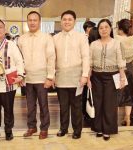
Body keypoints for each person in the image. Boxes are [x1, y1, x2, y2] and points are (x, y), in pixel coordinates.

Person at [18, 11, 55, 139]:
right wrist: (20, 76)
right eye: (30, 20)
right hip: (27, 78)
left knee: (44, 105)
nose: (32, 22)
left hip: (42, 78)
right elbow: (19, 59)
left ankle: (44, 128)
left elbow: (51, 58)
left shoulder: (47, 37)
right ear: (27, 21)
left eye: (35, 20)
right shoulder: (21, 39)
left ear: (39, 22)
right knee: (30, 105)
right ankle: (31, 127)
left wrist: (50, 77)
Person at [88, 19, 126, 141]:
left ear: (110, 29)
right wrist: (88, 78)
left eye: (106, 27)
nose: (103, 30)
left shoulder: (116, 43)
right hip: (96, 76)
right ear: (98, 30)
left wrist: (122, 77)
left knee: (109, 104)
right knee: (98, 103)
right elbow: (89, 63)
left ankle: (107, 130)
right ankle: (98, 128)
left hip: (112, 76)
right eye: (101, 28)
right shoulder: (93, 44)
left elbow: (121, 61)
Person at [53, 10, 90, 139]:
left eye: (70, 19)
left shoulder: (81, 37)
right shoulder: (55, 38)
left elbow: (86, 57)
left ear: (74, 21)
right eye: (64, 19)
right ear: (61, 21)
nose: (67, 22)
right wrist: (52, 76)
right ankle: (63, 128)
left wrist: (85, 75)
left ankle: (77, 130)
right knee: (63, 106)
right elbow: (52, 58)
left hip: (77, 78)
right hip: (61, 77)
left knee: (76, 106)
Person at [116, 19, 133, 126]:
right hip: (130, 68)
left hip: (119, 68)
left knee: (116, 94)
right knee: (129, 94)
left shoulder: (117, 40)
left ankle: (112, 118)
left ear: (121, 29)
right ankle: (128, 118)